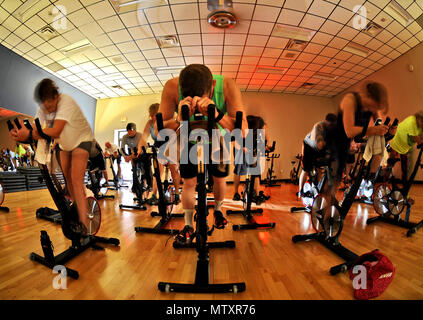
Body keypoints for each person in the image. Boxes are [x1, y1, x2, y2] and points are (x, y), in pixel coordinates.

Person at [158, 63, 247, 244]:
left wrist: (218, 114)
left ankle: (219, 210)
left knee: (219, 177)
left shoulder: (228, 86)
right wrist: (178, 119)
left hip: (217, 130)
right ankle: (189, 224)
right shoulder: (171, 87)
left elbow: (243, 131)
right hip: (186, 131)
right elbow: (158, 130)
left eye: (201, 97)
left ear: (213, 85)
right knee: (189, 181)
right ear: (181, 90)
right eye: (190, 97)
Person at [10, 78, 99, 236]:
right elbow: (38, 129)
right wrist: (20, 135)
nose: (48, 110)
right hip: (65, 144)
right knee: (67, 179)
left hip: (82, 140)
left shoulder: (66, 102)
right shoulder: (43, 108)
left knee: (76, 179)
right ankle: (76, 208)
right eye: (45, 107)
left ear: (56, 97)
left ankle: (83, 224)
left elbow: (56, 130)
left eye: (50, 106)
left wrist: (30, 133)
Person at [329, 81, 389, 197]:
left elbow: (378, 125)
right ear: (368, 96)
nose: (372, 110)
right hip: (337, 139)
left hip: (354, 139)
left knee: (379, 148)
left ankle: (369, 180)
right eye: (373, 106)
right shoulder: (350, 100)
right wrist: (374, 130)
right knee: (336, 176)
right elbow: (349, 131)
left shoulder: (372, 107)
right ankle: (328, 202)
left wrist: (387, 130)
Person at [137, 103, 181, 205]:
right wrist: (139, 149)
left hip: (171, 145)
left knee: (174, 169)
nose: (153, 117)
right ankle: (154, 195)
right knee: (157, 172)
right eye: (151, 115)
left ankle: (177, 193)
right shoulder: (149, 123)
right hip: (158, 146)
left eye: (155, 115)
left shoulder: (169, 118)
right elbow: (143, 138)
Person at [232, 115, 272, 203]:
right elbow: (234, 141)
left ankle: (240, 193)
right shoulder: (256, 123)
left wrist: (266, 145)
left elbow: (264, 140)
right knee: (246, 171)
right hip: (242, 146)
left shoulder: (255, 126)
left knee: (249, 170)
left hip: (249, 146)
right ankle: (241, 194)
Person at [298, 113, 337, 198]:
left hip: (319, 148)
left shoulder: (333, 130)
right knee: (306, 169)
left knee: (320, 169)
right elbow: (319, 145)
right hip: (309, 146)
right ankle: (300, 191)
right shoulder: (319, 126)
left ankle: (317, 189)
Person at [388, 110, 423, 187]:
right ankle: (386, 183)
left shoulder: (418, 124)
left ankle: (404, 189)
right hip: (397, 141)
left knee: (406, 169)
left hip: (406, 145)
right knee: (391, 163)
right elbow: (419, 141)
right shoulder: (412, 122)